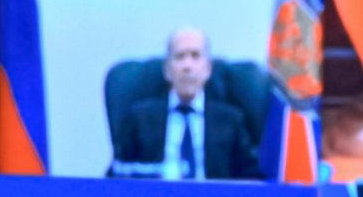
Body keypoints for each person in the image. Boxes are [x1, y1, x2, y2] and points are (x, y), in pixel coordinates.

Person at [111, 25, 268, 179]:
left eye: (195, 56)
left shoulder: (230, 120)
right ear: (167, 70)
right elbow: (116, 175)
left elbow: (251, 180)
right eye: (180, 56)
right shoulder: (139, 119)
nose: (187, 66)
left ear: (207, 69)